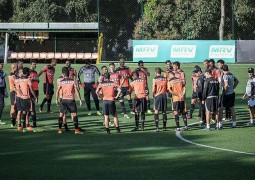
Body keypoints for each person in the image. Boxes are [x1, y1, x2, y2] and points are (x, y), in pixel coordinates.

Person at [56, 67, 83, 134]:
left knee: (61, 114)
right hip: (71, 100)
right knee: (74, 114)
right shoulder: (72, 81)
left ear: (63, 74)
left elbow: (57, 91)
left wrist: (56, 100)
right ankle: (76, 130)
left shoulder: (61, 81)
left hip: (63, 100)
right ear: (68, 74)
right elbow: (76, 91)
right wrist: (80, 100)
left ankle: (59, 129)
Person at [17, 67, 37, 132]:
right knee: (28, 111)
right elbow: (31, 89)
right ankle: (27, 125)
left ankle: (20, 125)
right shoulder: (28, 80)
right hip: (27, 98)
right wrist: (35, 96)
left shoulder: (19, 79)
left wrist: (21, 94)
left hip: (20, 97)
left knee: (22, 111)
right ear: (28, 72)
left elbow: (18, 88)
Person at [152, 67, 168, 132]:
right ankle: (164, 127)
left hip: (157, 95)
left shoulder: (154, 79)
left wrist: (153, 95)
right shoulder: (165, 79)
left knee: (156, 111)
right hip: (164, 95)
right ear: (160, 72)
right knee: (164, 111)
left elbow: (153, 89)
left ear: (155, 72)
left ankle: (157, 128)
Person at [28, 61, 40, 131]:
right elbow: (28, 80)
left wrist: (37, 79)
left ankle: (30, 119)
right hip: (31, 90)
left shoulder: (35, 72)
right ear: (31, 65)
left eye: (35, 64)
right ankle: (32, 123)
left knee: (33, 105)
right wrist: (34, 79)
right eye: (33, 64)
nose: (35, 65)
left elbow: (37, 80)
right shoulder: (29, 71)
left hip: (36, 89)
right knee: (31, 107)